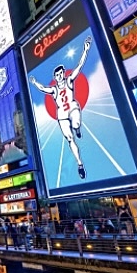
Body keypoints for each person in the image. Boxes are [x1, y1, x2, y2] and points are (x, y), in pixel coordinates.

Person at [28, 36, 92, 179]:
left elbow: (79, 67)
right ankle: (80, 164)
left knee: (76, 123)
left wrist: (85, 50)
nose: (60, 76)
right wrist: (34, 83)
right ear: (55, 77)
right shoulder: (54, 89)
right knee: (70, 139)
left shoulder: (69, 80)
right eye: (57, 75)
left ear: (63, 73)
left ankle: (77, 128)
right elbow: (44, 89)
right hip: (62, 114)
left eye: (61, 73)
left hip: (73, 108)